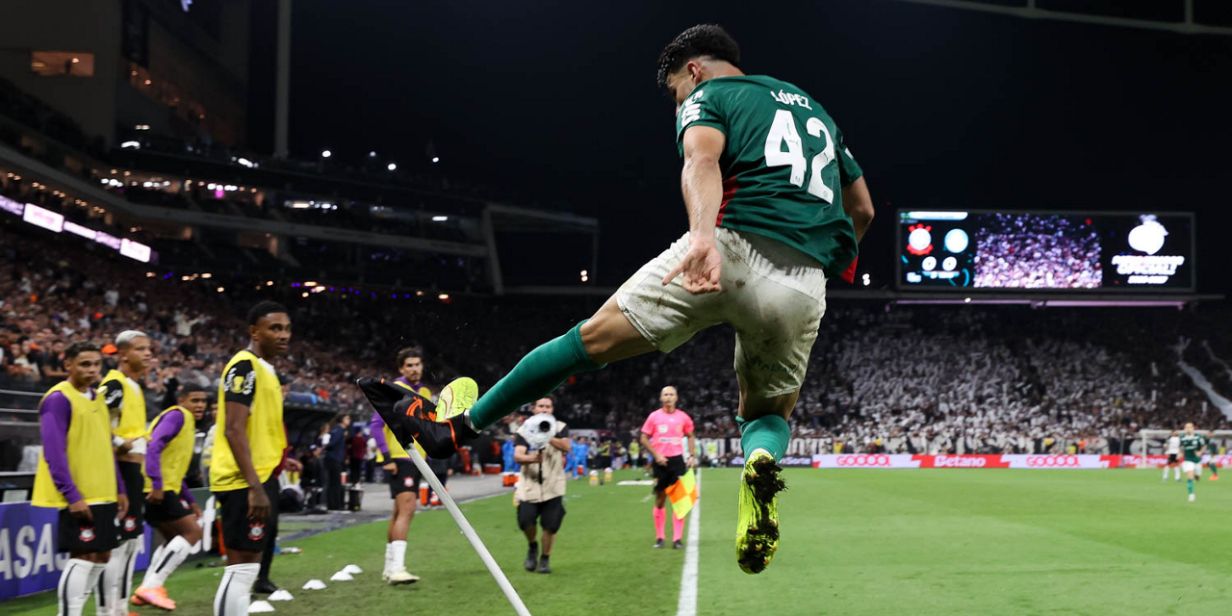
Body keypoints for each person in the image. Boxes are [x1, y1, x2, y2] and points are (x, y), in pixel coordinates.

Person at [362, 23, 873, 574]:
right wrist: (816, 265)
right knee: (766, 413)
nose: (678, 101)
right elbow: (862, 209)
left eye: (675, 91)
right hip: (803, 280)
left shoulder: (709, 95)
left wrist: (702, 236)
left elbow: (701, 161)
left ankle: (456, 430)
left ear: (693, 70)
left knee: (584, 343)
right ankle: (762, 461)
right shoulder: (816, 112)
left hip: (729, 244)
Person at [210, 302, 301, 615]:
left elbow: (258, 429)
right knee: (240, 567)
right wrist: (255, 486)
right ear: (254, 332)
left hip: (261, 476)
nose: (283, 335)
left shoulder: (266, 370)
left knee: (248, 568)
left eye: (286, 328)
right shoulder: (244, 367)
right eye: (274, 328)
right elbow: (233, 429)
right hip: (243, 481)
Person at [32, 342, 129, 616]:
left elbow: (105, 445)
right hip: (80, 494)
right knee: (83, 556)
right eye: (85, 364)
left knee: (103, 555)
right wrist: (72, 495)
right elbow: (54, 453)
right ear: (68, 365)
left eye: (96, 364)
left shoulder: (97, 398)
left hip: (104, 492)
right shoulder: (58, 399)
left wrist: (120, 488)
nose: (92, 370)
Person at [131, 383, 209, 610]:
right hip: (156, 488)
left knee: (171, 537)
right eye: (195, 400)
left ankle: (146, 589)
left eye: (203, 401)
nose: (200, 405)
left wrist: (191, 500)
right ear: (181, 400)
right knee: (193, 532)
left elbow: (174, 468)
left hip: (161, 487)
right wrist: (156, 483)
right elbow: (154, 446)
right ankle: (152, 585)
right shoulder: (177, 416)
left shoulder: (186, 423)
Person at [98, 330, 154, 615]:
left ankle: (120, 607)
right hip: (118, 470)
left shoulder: (133, 386)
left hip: (133, 470)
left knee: (131, 543)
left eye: (149, 349)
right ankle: (107, 610)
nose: (147, 354)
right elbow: (96, 424)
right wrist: (121, 442)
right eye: (140, 349)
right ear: (122, 354)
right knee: (118, 545)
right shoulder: (114, 385)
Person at [369, 346, 431, 585]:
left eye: (417, 364)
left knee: (398, 512)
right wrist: (386, 458)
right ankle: (397, 569)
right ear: (401, 369)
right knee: (407, 509)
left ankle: (389, 568)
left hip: (416, 459)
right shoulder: (393, 389)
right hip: (400, 459)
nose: (414, 369)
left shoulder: (424, 391)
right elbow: (376, 425)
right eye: (409, 365)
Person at [512, 397, 570, 574]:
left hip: (553, 486)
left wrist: (548, 435)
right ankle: (532, 546)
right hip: (529, 486)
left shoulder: (559, 427)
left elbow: (566, 447)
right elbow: (518, 456)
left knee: (550, 526)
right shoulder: (524, 429)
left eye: (548, 406)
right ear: (534, 409)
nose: (544, 409)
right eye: (541, 406)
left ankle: (545, 559)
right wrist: (532, 458)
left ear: (552, 409)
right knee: (525, 522)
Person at [639, 386, 697, 549]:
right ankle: (660, 538)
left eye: (671, 394)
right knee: (660, 499)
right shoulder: (654, 416)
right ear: (661, 398)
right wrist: (656, 455)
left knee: (679, 501)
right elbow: (643, 438)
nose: (668, 397)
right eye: (665, 394)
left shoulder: (683, 417)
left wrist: (691, 455)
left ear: (676, 398)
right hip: (660, 463)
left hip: (677, 462)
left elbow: (691, 435)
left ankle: (677, 539)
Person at [323, 413, 350, 510]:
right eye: (347, 418)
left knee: (332, 482)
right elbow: (332, 443)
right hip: (334, 459)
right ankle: (335, 505)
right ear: (342, 420)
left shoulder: (336, 429)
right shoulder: (339, 430)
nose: (349, 420)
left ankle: (331, 505)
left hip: (332, 458)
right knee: (336, 483)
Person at [1179, 423, 1208, 503]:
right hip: (1187, 460)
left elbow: (1204, 446)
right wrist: (1180, 453)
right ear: (1184, 429)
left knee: (1197, 477)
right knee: (1190, 477)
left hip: (1197, 460)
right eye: (1186, 427)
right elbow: (1181, 448)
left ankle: (1196, 476)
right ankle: (1191, 494)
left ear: (1193, 428)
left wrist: (1200, 452)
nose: (1188, 429)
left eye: (1190, 427)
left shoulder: (1198, 437)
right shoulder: (1182, 437)